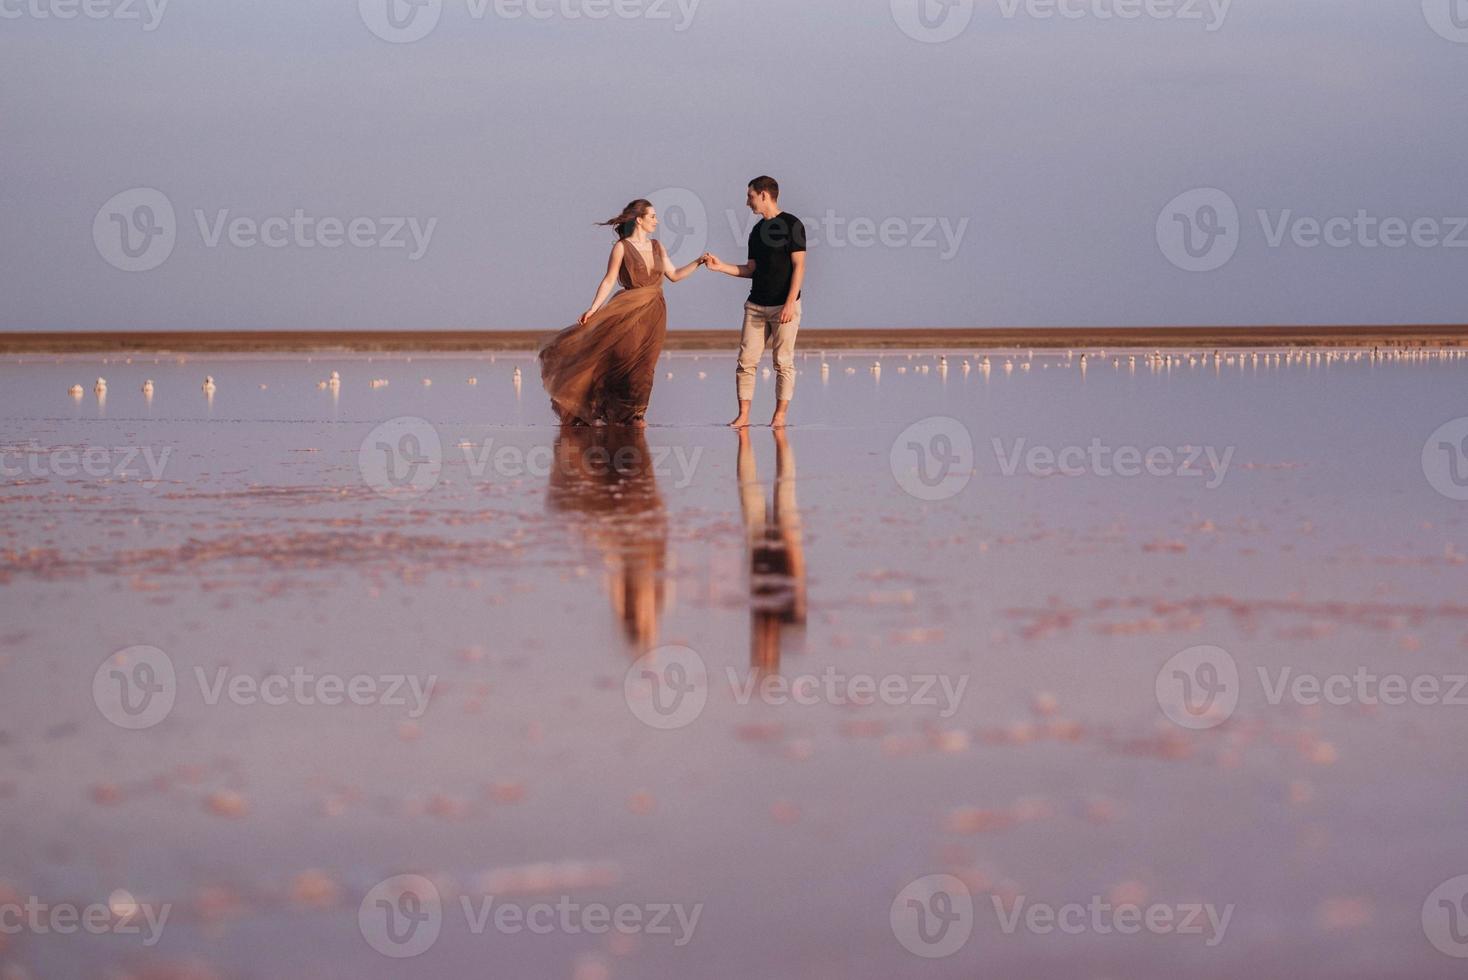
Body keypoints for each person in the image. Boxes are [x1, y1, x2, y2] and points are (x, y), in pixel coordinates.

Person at [540, 199, 705, 426]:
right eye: (653, 217)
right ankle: (606, 408)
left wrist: (699, 261)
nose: (657, 221)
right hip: (629, 310)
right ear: (639, 220)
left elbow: (674, 275)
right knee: (623, 359)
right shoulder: (621, 247)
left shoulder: (658, 246)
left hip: (655, 312)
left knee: (646, 365)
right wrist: (593, 308)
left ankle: (636, 414)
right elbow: (609, 281)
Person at [703, 176, 807, 429]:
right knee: (746, 362)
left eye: (750, 196)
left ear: (763, 195)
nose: (747, 202)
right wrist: (721, 268)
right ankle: (744, 415)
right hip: (756, 306)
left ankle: (779, 416)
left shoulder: (792, 224)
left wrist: (790, 303)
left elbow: (799, 266)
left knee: (783, 362)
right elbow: (750, 269)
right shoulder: (756, 231)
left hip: (785, 305)